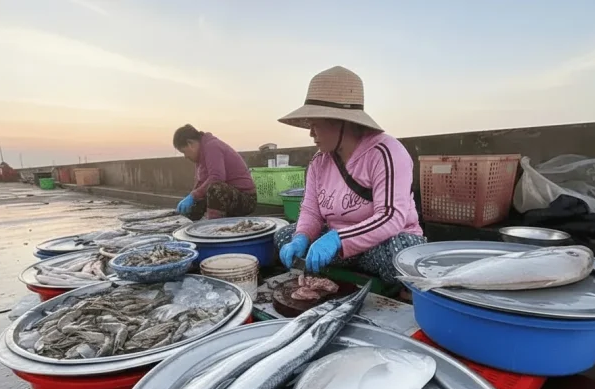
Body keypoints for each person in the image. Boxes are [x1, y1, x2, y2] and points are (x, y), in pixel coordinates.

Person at [275, 66, 426, 285]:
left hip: (384, 242)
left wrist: (338, 239)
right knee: (283, 236)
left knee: (400, 254)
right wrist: (302, 237)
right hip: (341, 244)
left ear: (341, 122)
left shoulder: (385, 152)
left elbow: (391, 217)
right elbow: (311, 211)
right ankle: (326, 273)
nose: (311, 133)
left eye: (316, 125)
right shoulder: (319, 161)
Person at [172, 124, 257, 220]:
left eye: (184, 151)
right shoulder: (200, 156)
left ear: (190, 144)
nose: (185, 156)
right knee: (195, 202)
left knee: (215, 188)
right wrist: (192, 196)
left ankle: (214, 227)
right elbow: (201, 185)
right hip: (228, 196)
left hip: (246, 199)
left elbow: (217, 177)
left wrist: (193, 195)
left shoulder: (212, 146)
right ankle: (190, 227)